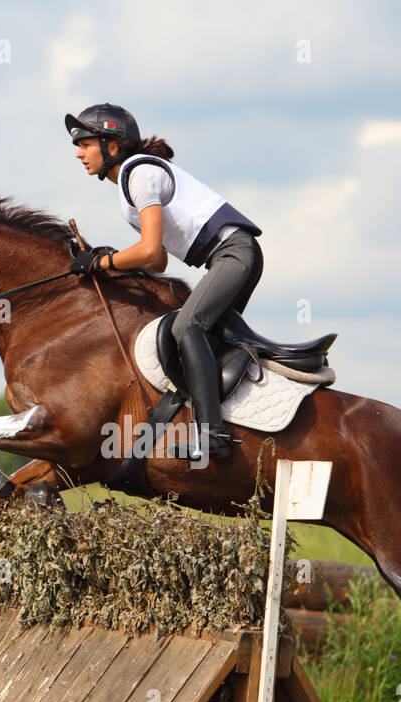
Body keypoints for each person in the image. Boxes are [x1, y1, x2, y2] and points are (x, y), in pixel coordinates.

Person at [66, 103, 263, 461]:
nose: (79, 153)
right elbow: (156, 260)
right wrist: (108, 263)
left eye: (86, 143)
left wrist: (102, 261)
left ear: (112, 146)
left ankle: (212, 438)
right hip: (230, 255)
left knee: (189, 327)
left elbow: (149, 249)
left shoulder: (138, 174)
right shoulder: (130, 187)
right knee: (201, 341)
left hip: (235, 253)